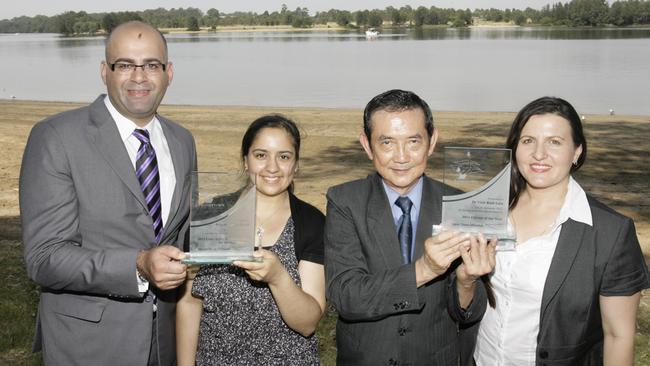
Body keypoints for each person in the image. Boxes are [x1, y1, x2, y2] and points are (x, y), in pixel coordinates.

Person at [19, 21, 196, 365]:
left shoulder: (182, 141)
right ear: (105, 71)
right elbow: (44, 257)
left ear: (168, 72)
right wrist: (138, 264)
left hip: (167, 342)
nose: (139, 77)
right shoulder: (56, 137)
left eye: (151, 65)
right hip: (89, 345)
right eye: (125, 65)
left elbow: (183, 236)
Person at [324, 89, 497, 366]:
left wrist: (467, 281)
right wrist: (425, 269)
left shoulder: (459, 205)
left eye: (413, 141)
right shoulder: (345, 201)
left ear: (432, 141)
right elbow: (346, 295)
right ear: (367, 145)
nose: (401, 157)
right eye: (387, 143)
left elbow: (469, 314)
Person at [473, 97, 650, 365]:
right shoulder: (486, 211)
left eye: (554, 142)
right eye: (528, 140)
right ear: (515, 147)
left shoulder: (610, 233)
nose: (539, 154)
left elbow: (618, 336)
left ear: (577, 151)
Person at [176, 114, 326, 365]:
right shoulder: (213, 214)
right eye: (260, 155)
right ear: (245, 161)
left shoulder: (311, 223)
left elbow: (308, 324)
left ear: (296, 164)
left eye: (284, 156)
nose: (272, 167)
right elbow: (190, 303)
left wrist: (278, 278)